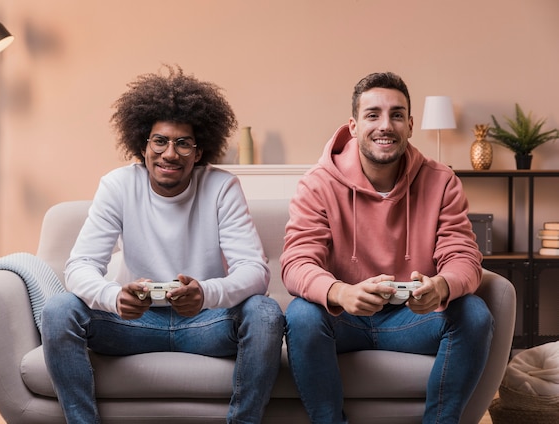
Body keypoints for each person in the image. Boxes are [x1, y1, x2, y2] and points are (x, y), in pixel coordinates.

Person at [41, 66, 285, 424]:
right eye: (160, 141)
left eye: (183, 142)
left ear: (199, 151)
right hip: (132, 325)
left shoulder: (222, 187)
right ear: (143, 145)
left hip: (206, 323)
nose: (170, 153)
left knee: (265, 313)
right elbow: (80, 266)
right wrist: (114, 298)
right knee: (59, 309)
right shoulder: (118, 185)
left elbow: (254, 272)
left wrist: (206, 294)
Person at [280, 72, 494, 424]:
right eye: (373, 115)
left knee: (473, 313)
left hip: (415, 318)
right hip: (345, 319)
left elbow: (464, 256)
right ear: (353, 125)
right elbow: (296, 261)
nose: (386, 125)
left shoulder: (442, 181)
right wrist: (340, 292)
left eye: (396, 115)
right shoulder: (317, 184)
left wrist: (441, 286)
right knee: (302, 315)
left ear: (410, 125)